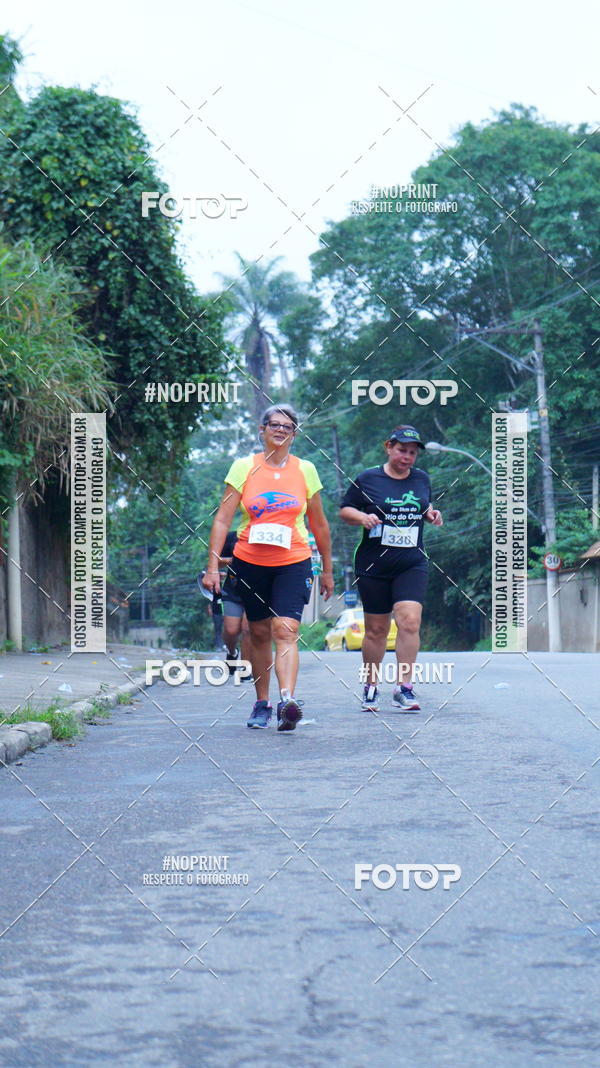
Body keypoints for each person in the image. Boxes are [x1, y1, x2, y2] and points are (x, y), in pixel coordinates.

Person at [202, 404, 334, 731]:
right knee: (257, 632)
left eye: (287, 427)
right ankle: (262, 702)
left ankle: (287, 700)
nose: (279, 430)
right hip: (250, 562)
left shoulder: (306, 470)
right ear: (262, 430)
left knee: (286, 630)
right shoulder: (243, 467)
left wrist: (328, 570)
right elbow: (222, 518)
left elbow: (319, 523)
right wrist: (212, 567)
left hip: (293, 561)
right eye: (273, 425)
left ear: (294, 434)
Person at [339, 425, 443, 712]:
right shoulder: (368, 478)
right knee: (376, 629)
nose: (407, 457)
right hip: (374, 563)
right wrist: (362, 517)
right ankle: (371, 686)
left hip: (411, 561)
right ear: (388, 447)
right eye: (401, 451)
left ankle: (404, 687)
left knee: (409, 621)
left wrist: (431, 514)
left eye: (412, 453)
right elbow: (345, 510)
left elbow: (423, 506)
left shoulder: (421, 478)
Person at [218, 530, 251, 674]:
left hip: (257, 591)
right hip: (233, 589)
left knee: (247, 629)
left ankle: (246, 668)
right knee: (231, 630)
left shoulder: (267, 535)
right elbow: (216, 561)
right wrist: (229, 560)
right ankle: (232, 653)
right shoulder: (232, 537)